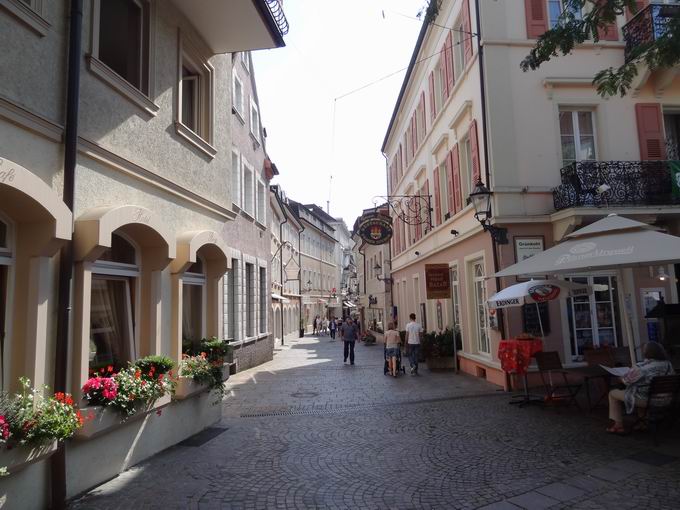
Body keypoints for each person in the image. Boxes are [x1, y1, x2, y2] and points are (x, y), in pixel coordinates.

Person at [606, 342, 675, 434]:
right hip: (667, 399)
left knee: (612, 394)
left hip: (648, 400)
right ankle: (643, 424)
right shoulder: (668, 364)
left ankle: (618, 425)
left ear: (646, 353)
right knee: (642, 388)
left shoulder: (641, 368)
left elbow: (626, 381)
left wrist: (620, 378)